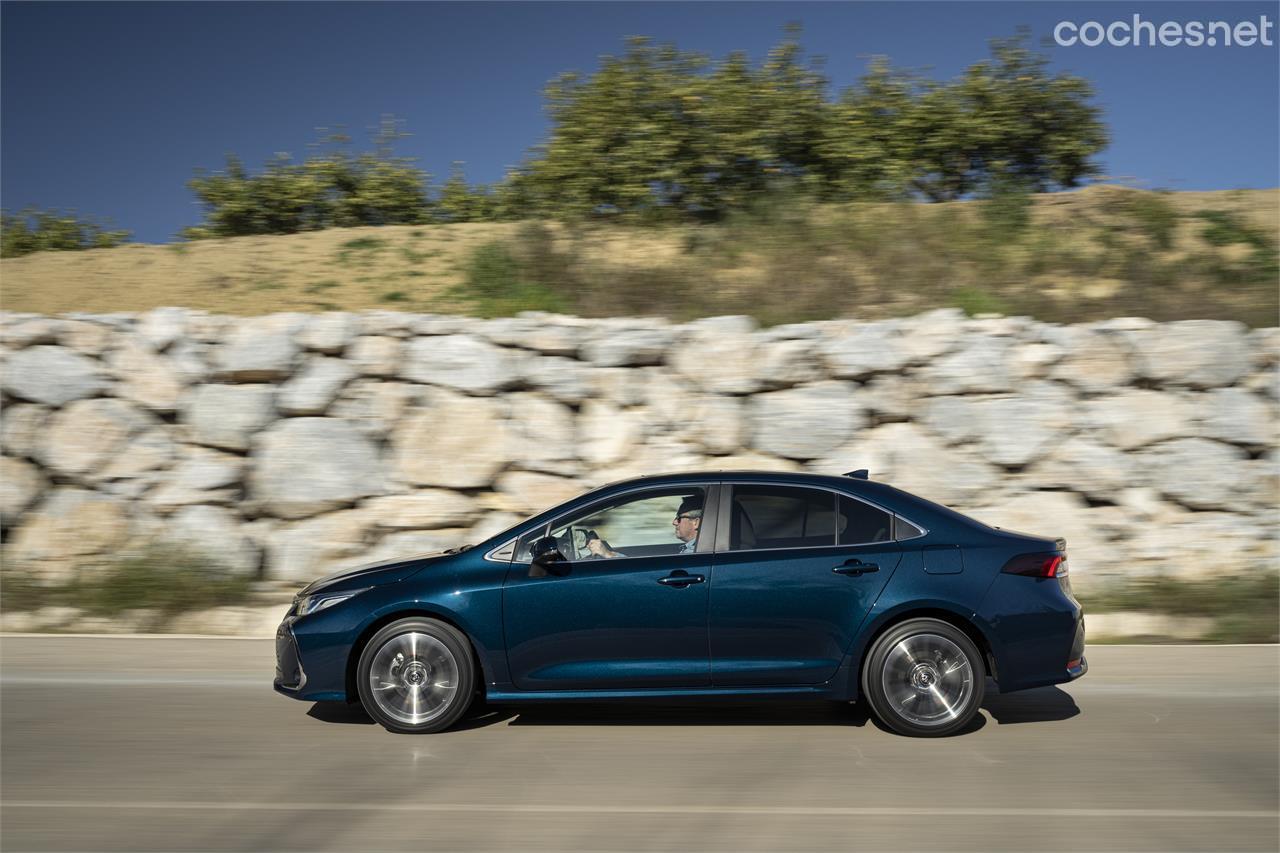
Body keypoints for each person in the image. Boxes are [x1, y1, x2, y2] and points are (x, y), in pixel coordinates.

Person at [585, 494, 702, 559]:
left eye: (679, 518)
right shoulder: (696, 550)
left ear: (696, 523)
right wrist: (612, 554)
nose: (674, 522)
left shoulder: (695, 553)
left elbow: (654, 575)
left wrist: (608, 555)